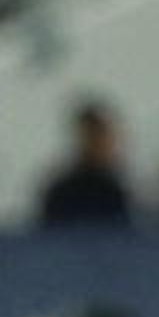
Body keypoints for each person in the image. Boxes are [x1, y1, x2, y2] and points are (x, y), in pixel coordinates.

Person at [35, 97, 135, 228]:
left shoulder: (117, 189)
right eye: (94, 137)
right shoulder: (63, 191)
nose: (102, 144)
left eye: (103, 137)